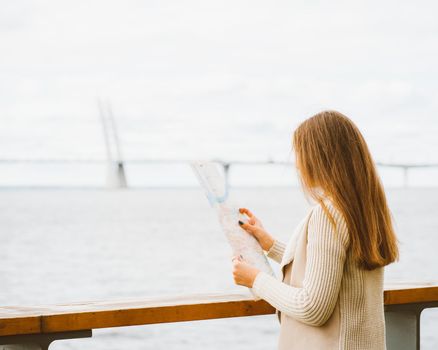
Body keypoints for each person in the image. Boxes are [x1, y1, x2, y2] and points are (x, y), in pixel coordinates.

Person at [231, 110, 399, 350]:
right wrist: (269, 245)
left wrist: (255, 279)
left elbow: (312, 308)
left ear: (318, 159)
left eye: (300, 154)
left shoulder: (327, 214)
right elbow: (333, 267)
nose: (298, 164)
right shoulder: (364, 209)